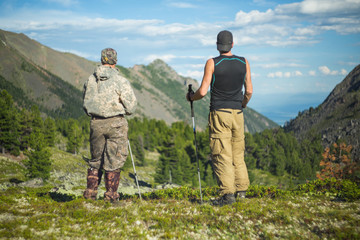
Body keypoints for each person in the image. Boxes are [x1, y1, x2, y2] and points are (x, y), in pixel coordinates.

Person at [186, 30, 253, 206]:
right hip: (238, 114)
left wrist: (191, 97)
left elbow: (202, 91)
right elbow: (250, 90)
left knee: (221, 153)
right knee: (238, 153)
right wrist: (243, 104)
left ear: (217, 45)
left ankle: (227, 196)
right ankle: (242, 192)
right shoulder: (243, 62)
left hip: (220, 113)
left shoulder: (213, 63)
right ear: (232, 44)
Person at [82, 48, 137, 202]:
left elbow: (85, 101)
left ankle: (90, 194)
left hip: (96, 123)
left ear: (102, 60)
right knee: (114, 160)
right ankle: (111, 196)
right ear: (115, 61)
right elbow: (131, 106)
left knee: (95, 160)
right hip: (116, 123)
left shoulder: (91, 79)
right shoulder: (120, 80)